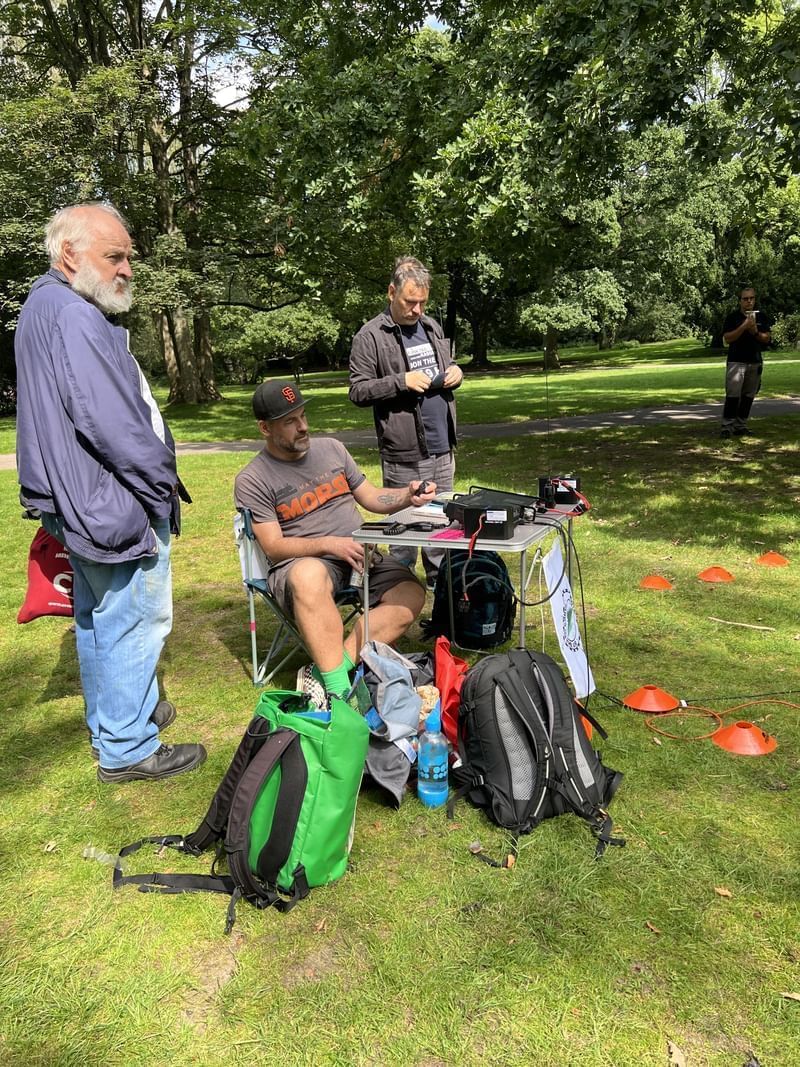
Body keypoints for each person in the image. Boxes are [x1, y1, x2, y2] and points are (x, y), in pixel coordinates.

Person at [14, 202, 206, 782]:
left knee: (98, 616)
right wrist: (160, 483)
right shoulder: (73, 315)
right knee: (134, 619)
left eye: (128, 257)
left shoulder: (43, 305)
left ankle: (117, 721)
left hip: (78, 500)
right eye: (114, 256)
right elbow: (113, 424)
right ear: (70, 255)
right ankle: (128, 747)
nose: (126, 269)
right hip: (108, 501)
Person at [233, 380, 435, 700]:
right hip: (304, 564)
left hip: (359, 557)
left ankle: (333, 668)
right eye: (290, 421)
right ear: (265, 428)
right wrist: (329, 544)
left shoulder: (332, 449)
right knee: (308, 575)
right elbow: (273, 546)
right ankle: (339, 693)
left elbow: (371, 496)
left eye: (303, 416)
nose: (303, 427)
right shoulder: (253, 479)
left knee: (410, 594)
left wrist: (406, 496)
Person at [348, 256, 463, 586]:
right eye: (410, 302)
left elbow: (445, 366)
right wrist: (401, 381)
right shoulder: (370, 336)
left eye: (422, 302)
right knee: (404, 535)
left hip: (442, 446)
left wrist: (456, 372)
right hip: (405, 452)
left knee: (443, 527)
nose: (417, 310)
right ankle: (397, 598)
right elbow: (358, 390)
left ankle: (443, 597)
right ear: (391, 292)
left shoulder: (431, 326)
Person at [721, 286, 771, 438]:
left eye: (751, 298)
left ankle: (740, 426)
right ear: (740, 301)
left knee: (748, 396)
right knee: (733, 396)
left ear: (754, 299)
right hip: (736, 362)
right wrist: (744, 326)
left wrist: (755, 331)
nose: (749, 301)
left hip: (754, 361)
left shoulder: (761, 317)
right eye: (745, 299)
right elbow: (727, 338)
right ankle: (727, 427)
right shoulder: (733, 317)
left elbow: (767, 339)